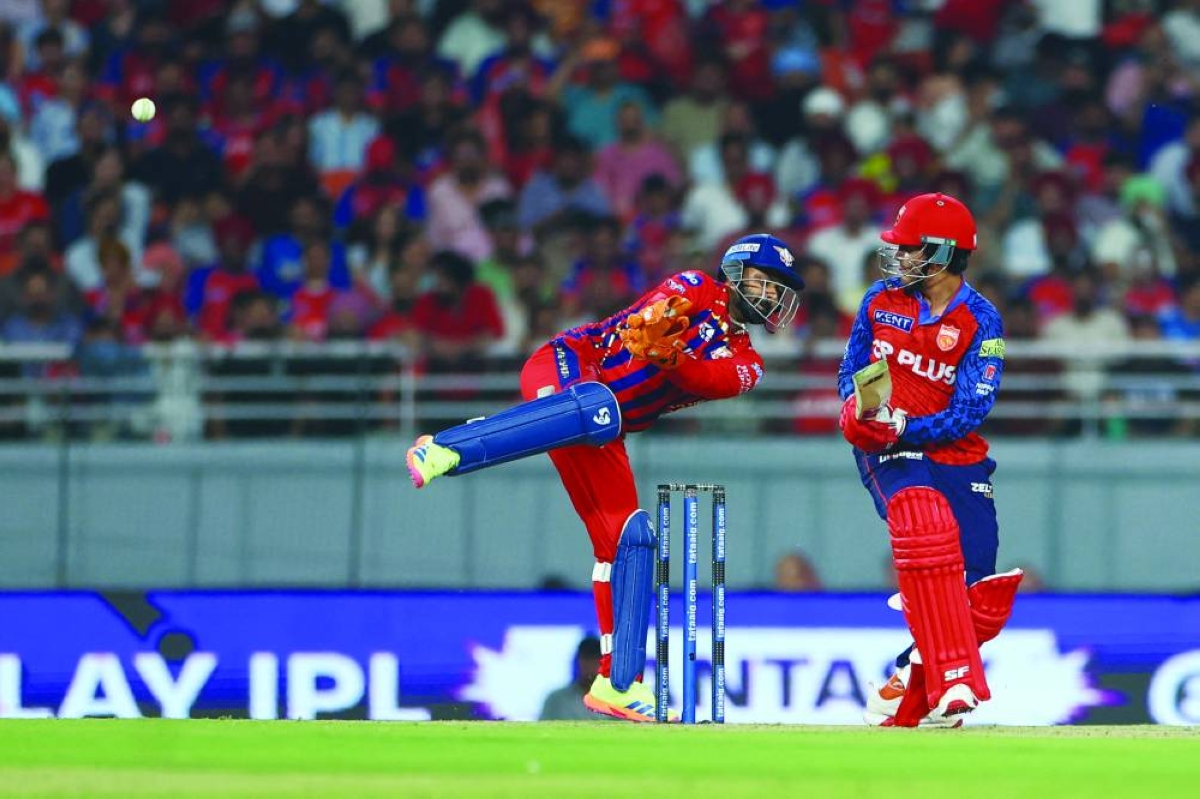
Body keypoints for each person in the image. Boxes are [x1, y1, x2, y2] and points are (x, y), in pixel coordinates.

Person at [406, 233, 805, 722]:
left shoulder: (750, 364)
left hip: (605, 427)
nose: (772, 296)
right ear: (736, 272)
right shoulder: (697, 286)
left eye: (779, 288)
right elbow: (647, 320)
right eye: (766, 282)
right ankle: (446, 448)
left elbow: (704, 380)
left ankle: (619, 682)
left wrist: (671, 357)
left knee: (631, 540)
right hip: (566, 363)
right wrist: (651, 330)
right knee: (598, 405)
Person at [837, 193, 1023, 728]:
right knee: (925, 524)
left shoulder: (982, 320)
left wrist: (909, 424)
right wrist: (862, 409)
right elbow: (850, 370)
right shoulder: (879, 300)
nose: (899, 258)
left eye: (911, 249)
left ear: (942, 254)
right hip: (887, 452)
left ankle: (909, 677)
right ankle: (952, 683)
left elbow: (971, 409)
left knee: (977, 591)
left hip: (956, 454)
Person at [538, 636, 615, 721]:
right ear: (577, 662)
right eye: (586, 659)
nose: (590, 665)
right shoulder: (556, 700)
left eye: (595, 659)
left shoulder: (618, 701)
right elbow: (541, 733)